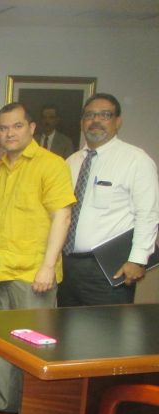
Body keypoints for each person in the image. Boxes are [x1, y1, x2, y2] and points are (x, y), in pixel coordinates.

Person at [0, 102, 75, 414]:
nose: (9, 133)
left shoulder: (51, 165)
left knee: (33, 348)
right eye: (3, 127)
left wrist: (47, 266)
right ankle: (3, 401)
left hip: (33, 274)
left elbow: (63, 215)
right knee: (1, 342)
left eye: (16, 126)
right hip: (0, 268)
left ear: (31, 128)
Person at [59, 93, 159, 306]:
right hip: (67, 265)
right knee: (65, 331)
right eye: (89, 115)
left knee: (106, 334)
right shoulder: (71, 162)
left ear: (117, 122)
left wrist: (137, 259)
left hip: (108, 268)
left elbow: (148, 214)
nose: (96, 121)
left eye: (105, 115)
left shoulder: (136, 160)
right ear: (82, 123)